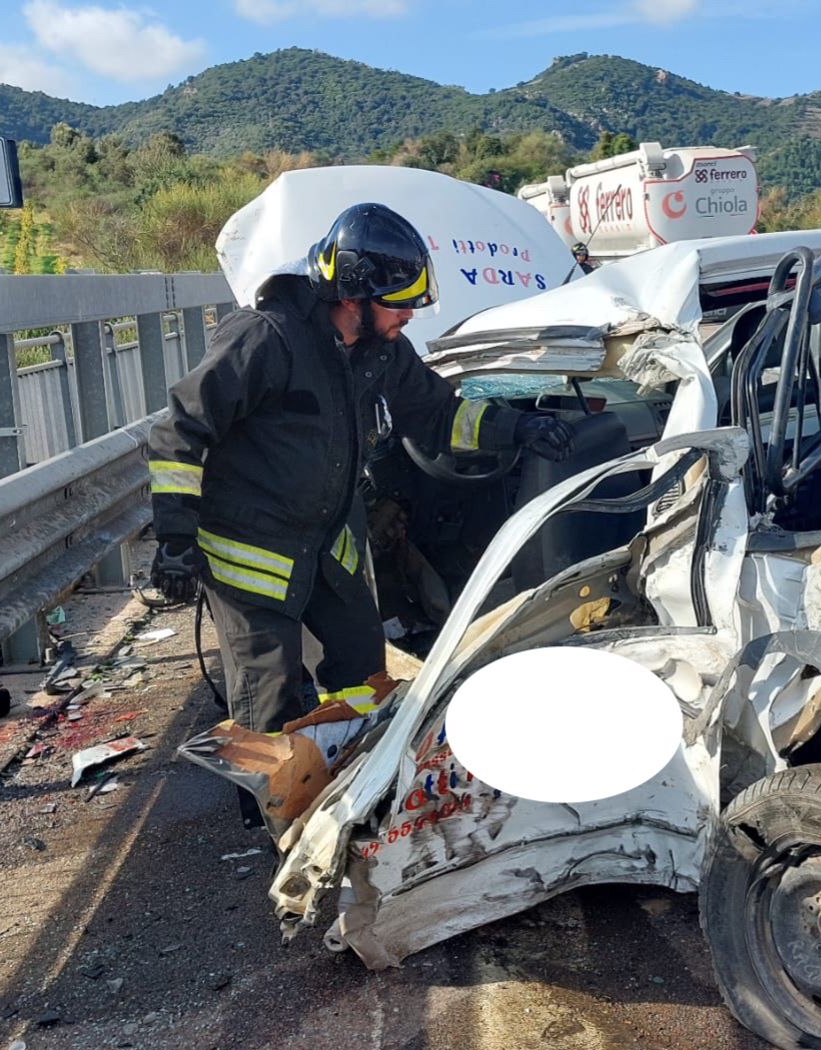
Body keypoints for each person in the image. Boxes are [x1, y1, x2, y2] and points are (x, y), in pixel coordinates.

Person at [146, 203, 574, 823]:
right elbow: (178, 432)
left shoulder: (379, 350)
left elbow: (438, 413)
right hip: (250, 551)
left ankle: (352, 787)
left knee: (364, 677)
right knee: (271, 698)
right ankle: (281, 825)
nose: (409, 315)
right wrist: (176, 540)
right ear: (351, 294)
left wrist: (520, 427)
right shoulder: (266, 338)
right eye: (398, 302)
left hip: (325, 541)